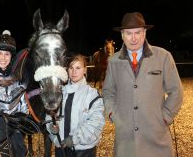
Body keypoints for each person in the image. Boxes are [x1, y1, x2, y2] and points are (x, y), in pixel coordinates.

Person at [102, 12, 183, 157]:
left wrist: (165, 116)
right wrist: (112, 113)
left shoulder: (163, 56)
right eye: (128, 33)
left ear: (144, 33)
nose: (133, 38)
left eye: (137, 32)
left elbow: (176, 91)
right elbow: (108, 91)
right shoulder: (114, 61)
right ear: (122, 35)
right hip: (125, 138)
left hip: (156, 136)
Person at [46, 54, 105, 157]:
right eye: (71, 68)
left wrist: (74, 138)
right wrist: (51, 127)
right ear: (67, 70)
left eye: (78, 68)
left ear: (85, 70)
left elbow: (96, 122)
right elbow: (50, 115)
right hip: (61, 148)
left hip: (83, 151)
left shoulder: (92, 94)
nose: (74, 72)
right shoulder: (59, 93)